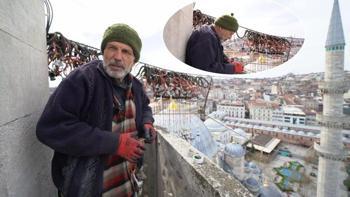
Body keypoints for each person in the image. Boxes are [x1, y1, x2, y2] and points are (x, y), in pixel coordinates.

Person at [36, 23, 156, 197]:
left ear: (134, 60)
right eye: (112, 48)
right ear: (103, 52)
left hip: (126, 182)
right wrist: (115, 143)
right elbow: (50, 128)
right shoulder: (82, 79)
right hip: (87, 189)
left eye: (126, 52)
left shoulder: (136, 85)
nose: (117, 56)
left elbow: (145, 106)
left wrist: (147, 122)